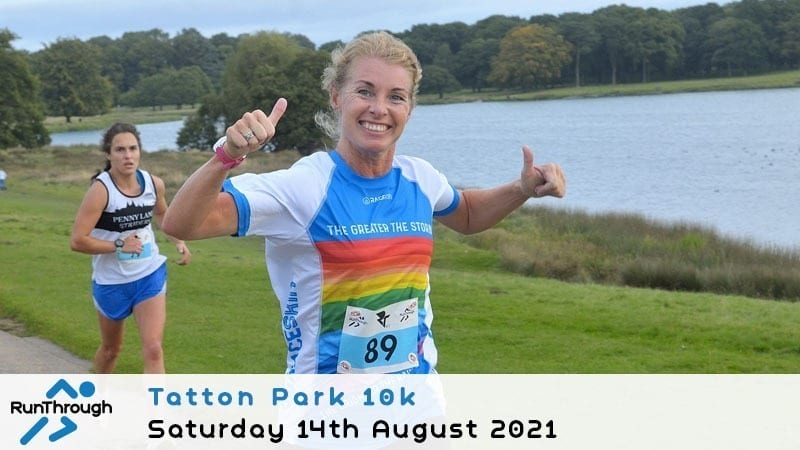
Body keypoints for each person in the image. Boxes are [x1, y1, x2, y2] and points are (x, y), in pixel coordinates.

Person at [162, 31, 565, 374]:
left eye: (396, 97)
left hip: (417, 406)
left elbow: (469, 214)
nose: (379, 109)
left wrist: (521, 189)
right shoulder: (305, 186)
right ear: (336, 96)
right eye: (365, 91)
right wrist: (226, 157)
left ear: (409, 109)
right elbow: (183, 225)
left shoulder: (419, 177)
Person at [70, 122, 191, 374]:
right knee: (111, 350)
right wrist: (118, 245)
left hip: (149, 273)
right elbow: (78, 240)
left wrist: (178, 240)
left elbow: (162, 214)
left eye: (133, 148)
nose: (128, 155)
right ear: (108, 154)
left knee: (154, 348)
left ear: (140, 151)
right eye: (120, 150)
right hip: (111, 281)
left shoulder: (153, 184)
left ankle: (155, 402)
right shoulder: (101, 190)